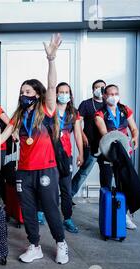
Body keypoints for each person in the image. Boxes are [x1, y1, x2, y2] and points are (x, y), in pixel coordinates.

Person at [0, 34, 69, 265]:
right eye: (22, 92)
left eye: (28, 92)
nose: (24, 95)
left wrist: (51, 59)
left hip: (46, 169)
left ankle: (61, 244)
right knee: (28, 211)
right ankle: (35, 246)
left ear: (37, 95)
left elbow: (51, 85)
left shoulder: (47, 109)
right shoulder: (19, 116)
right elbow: (5, 133)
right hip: (25, 171)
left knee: (50, 209)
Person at [95, 84, 139, 230]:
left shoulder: (125, 109)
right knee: (106, 184)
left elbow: (133, 128)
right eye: (111, 94)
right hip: (108, 153)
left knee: (125, 184)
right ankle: (106, 214)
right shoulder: (99, 114)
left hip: (124, 153)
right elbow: (105, 133)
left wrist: (134, 138)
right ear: (105, 96)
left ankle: (124, 215)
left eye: (116, 93)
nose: (114, 97)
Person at [55, 82, 84, 233]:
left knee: (66, 188)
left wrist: (81, 153)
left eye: (66, 92)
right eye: (61, 91)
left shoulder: (74, 112)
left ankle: (67, 218)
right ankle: (41, 212)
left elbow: (78, 134)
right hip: (50, 155)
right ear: (56, 94)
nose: (64, 94)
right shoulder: (49, 110)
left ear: (70, 95)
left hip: (66, 155)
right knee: (48, 186)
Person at [71, 80, 106, 197]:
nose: (99, 89)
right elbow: (78, 122)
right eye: (97, 87)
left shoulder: (108, 105)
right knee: (84, 172)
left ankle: (106, 200)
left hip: (105, 146)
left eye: (102, 87)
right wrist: (83, 135)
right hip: (91, 144)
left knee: (106, 174)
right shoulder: (86, 104)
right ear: (93, 90)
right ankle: (68, 196)